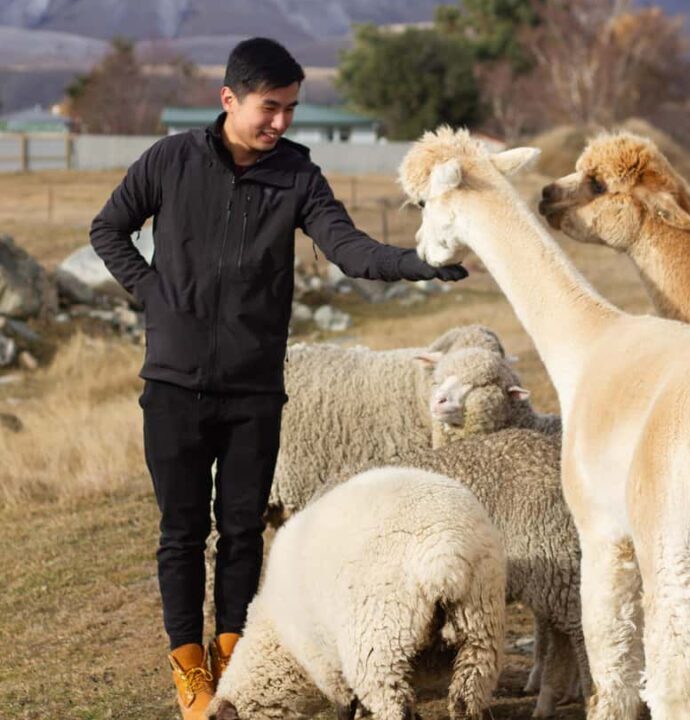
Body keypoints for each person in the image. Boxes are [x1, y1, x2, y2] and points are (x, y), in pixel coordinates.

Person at [89, 37, 467, 719]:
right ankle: (189, 670)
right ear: (229, 98)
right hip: (173, 384)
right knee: (181, 531)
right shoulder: (170, 161)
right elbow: (108, 228)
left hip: (254, 388)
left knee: (240, 530)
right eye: (271, 108)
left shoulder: (297, 175)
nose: (282, 123)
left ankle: (233, 659)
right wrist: (152, 295)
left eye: (291, 108)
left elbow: (348, 249)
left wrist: (418, 264)